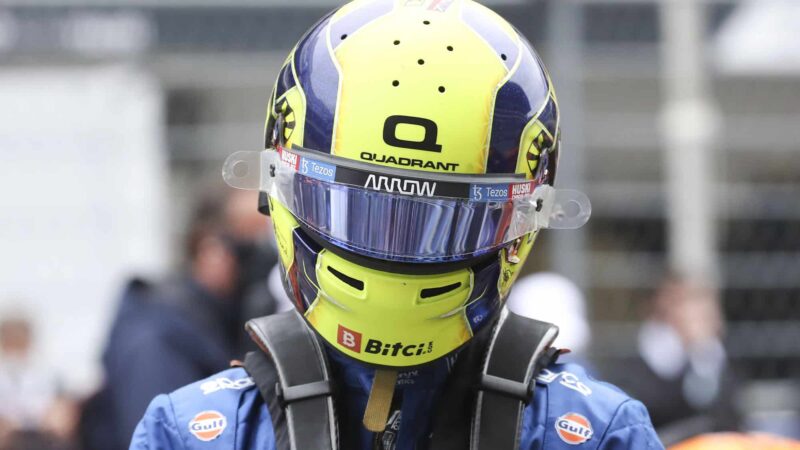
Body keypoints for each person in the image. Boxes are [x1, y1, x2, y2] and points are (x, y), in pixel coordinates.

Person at [131, 1, 663, 448]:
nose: (394, 254)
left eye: (443, 224)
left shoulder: (596, 433)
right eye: (358, 211)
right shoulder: (195, 433)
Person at [81, 189, 280, 450]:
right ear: (211, 250)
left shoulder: (213, 322)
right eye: (251, 244)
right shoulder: (160, 336)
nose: (265, 256)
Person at [601, 274, 739, 439]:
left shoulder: (715, 357)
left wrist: (702, 355)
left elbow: (727, 418)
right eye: (688, 303)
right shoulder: (635, 360)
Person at [0, 313, 78, 450]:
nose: (16, 347)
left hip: (43, 437)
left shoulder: (51, 375)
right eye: (11, 340)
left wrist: (55, 419)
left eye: (19, 340)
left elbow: (64, 412)